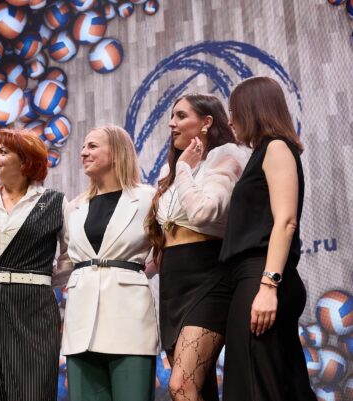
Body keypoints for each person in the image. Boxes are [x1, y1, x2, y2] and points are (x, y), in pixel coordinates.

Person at [144, 93, 250, 401]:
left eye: (180, 116)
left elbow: (205, 212)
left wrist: (184, 171)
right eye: (171, 116)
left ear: (206, 122)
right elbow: (165, 238)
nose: (171, 123)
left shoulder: (226, 155)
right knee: (197, 389)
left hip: (209, 278)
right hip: (173, 285)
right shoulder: (170, 173)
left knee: (181, 385)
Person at [220, 77, 315, 401]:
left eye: (234, 110)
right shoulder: (265, 151)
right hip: (257, 279)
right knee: (283, 387)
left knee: (254, 388)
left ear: (253, 109)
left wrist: (268, 286)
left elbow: (285, 221)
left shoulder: (276, 147)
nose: (230, 121)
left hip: (262, 278)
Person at [0, 128, 68, 401]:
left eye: (3, 152)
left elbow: (70, 257)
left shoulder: (54, 202)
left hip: (34, 304)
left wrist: (41, 279)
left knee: (33, 390)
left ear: (25, 161)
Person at [59, 126, 157, 401]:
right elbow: (67, 258)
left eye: (92, 146)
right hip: (81, 323)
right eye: (83, 147)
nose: (83, 152)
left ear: (116, 152)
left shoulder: (148, 198)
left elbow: (165, 249)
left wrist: (138, 273)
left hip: (129, 318)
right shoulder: (74, 207)